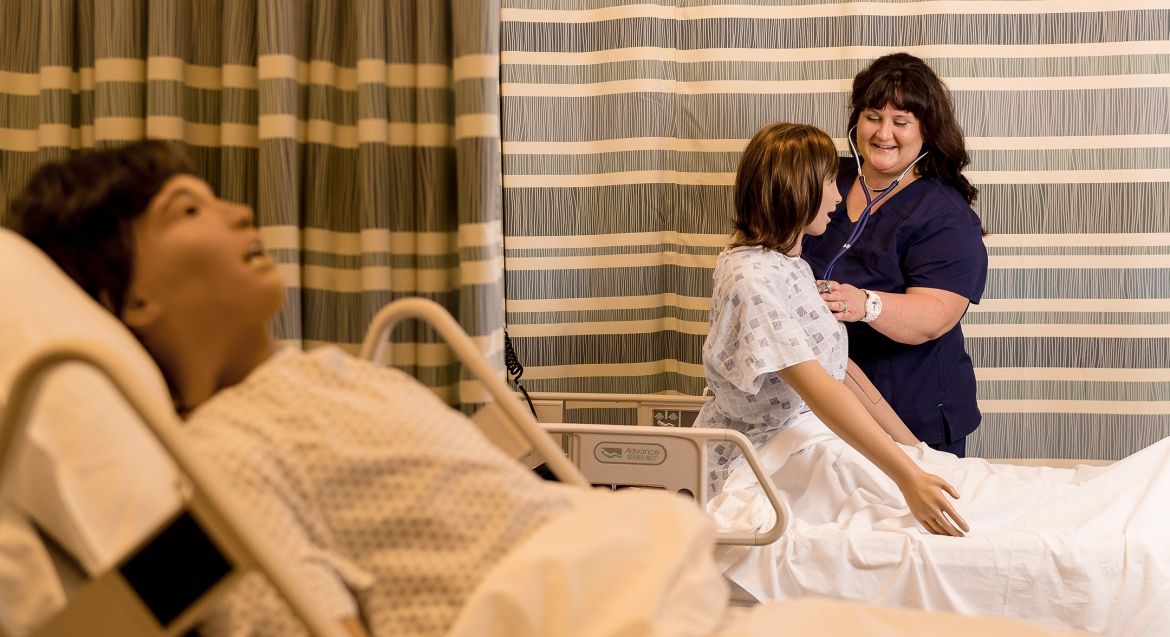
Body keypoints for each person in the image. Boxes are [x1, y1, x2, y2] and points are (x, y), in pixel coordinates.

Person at [11, 141, 1088, 637]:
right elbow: (209, 604)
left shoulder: (332, 371)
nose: (242, 214)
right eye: (193, 208)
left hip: (669, 591)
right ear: (130, 301)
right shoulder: (225, 461)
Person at [694, 122, 967, 538]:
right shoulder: (752, 279)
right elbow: (822, 391)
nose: (839, 195)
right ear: (796, 190)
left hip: (805, 442)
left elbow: (841, 373)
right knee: (890, 518)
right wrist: (907, 477)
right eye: (828, 182)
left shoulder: (792, 266)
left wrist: (916, 455)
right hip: (764, 460)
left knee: (932, 490)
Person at [801, 53, 988, 457]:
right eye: (873, 116)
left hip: (910, 413)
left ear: (926, 131)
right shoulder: (824, 178)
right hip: (816, 409)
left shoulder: (945, 214)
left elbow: (934, 316)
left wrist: (863, 304)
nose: (884, 133)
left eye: (901, 122)